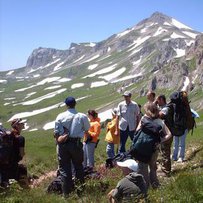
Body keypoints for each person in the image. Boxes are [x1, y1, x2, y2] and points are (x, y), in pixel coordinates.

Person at [54, 96, 90, 197]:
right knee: (78, 166)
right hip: (76, 143)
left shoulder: (60, 116)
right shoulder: (82, 116)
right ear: (75, 104)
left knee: (64, 169)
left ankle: (67, 193)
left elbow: (56, 132)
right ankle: (80, 192)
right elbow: (87, 128)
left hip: (63, 145)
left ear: (66, 105)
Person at [136, 102, 172, 189]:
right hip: (154, 147)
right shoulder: (160, 121)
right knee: (152, 167)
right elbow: (169, 134)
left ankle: (145, 187)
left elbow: (137, 131)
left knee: (143, 167)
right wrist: (160, 141)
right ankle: (155, 185)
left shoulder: (144, 119)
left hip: (143, 148)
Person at [1, 118, 28, 188]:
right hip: (13, 164)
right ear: (17, 125)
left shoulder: (8, 136)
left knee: (5, 181)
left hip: (3, 162)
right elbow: (21, 153)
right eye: (22, 123)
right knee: (15, 182)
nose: (23, 124)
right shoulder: (21, 138)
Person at [156, 94, 174, 176]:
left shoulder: (166, 109)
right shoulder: (164, 108)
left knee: (165, 151)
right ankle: (164, 168)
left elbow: (159, 116)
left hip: (167, 134)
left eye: (158, 100)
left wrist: (154, 105)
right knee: (163, 151)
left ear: (161, 100)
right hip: (164, 133)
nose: (157, 102)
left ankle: (166, 171)